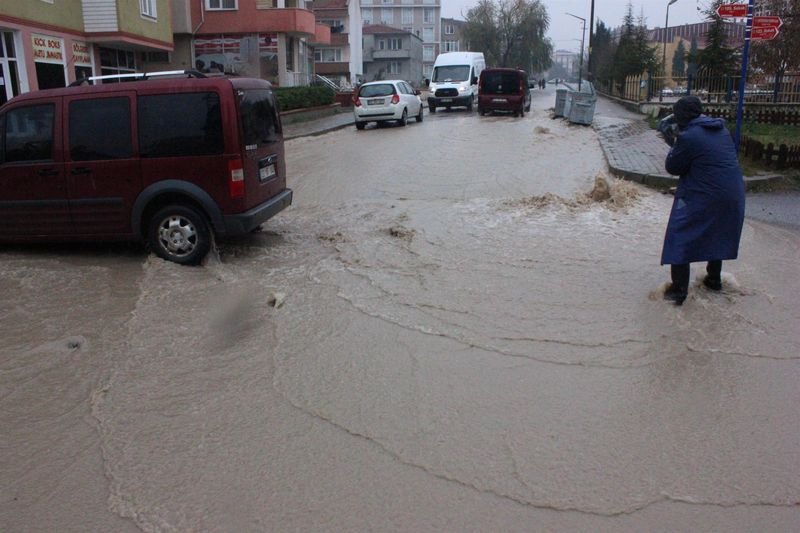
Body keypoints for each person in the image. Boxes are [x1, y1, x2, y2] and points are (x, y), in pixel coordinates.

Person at [657, 96, 745, 305]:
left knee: (679, 236)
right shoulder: (721, 130)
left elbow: (673, 167)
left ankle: (678, 291)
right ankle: (713, 280)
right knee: (718, 233)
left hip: (705, 196)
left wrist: (674, 142)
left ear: (680, 117)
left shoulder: (689, 136)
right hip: (733, 196)